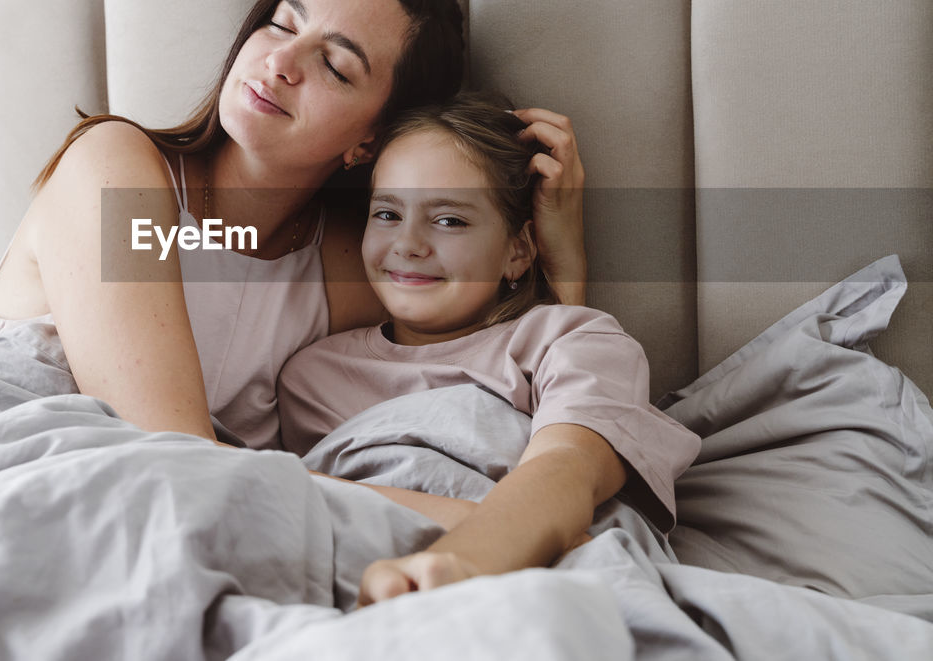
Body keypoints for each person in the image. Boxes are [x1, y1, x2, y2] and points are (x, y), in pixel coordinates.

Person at [0, 0, 589, 523]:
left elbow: (513, 386)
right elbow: (171, 455)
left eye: (336, 66)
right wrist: (489, 525)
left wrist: (560, 255)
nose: (281, 60)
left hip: (166, 516)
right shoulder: (117, 171)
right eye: (281, 24)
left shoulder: (344, 265)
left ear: (370, 139)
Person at [276, 93, 701, 602]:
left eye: (449, 220)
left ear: (518, 250)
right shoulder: (311, 376)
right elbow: (310, 508)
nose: (408, 244)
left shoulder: (573, 342)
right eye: (387, 212)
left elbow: (567, 467)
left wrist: (460, 564)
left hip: (487, 577)